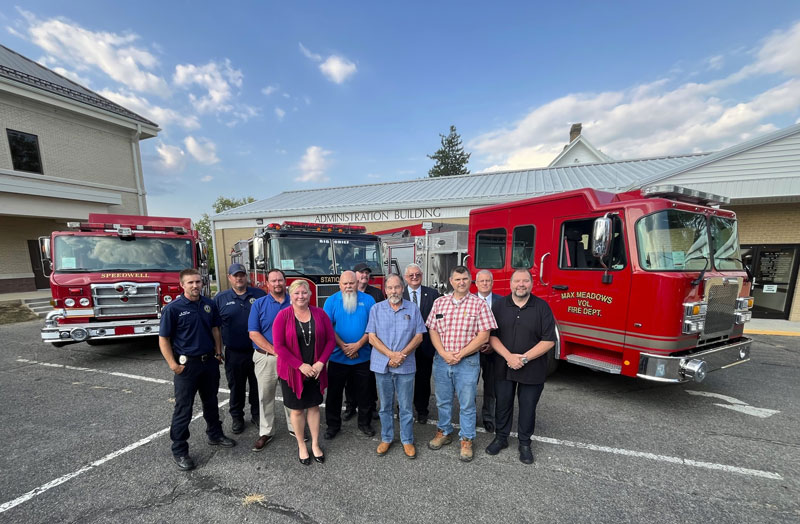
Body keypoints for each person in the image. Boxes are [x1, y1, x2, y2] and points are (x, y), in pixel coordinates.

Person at [159, 268, 235, 471]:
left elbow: (215, 329)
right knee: (184, 409)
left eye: (198, 282)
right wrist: (173, 365)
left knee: (211, 402)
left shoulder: (209, 305)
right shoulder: (173, 309)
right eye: (190, 282)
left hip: (209, 362)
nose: (195, 286)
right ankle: (180, 450)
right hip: (187, 366)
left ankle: (215, 434)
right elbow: (163, 339)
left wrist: (219, 352)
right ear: (182, 285)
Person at [426, 266, 497, 462]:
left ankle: (466, 439)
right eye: (457, 279)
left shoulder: (479, 305)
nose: (461, 282)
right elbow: (433, 330)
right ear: (451, 281)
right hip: (442, 361)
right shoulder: (440, 303)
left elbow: (484, 335)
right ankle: (444, 431)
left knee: (467, 404)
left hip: (467, 362)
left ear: (470, 280)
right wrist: (442, 353)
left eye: (465, 279)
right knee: (443, 400)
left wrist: (460, 354)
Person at [486, 269, 556, 465]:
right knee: (503, 404)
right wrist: (509, 356)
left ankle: (525, 443)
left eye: (525, 281)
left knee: (527, 406)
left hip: (532, 368)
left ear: (532, 284)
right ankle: (501, 438)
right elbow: (491, 336)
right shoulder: (499, 306)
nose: (521, 284)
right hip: (503, 365)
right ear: (510, 284)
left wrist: (523, 359)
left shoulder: (542, 307)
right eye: (517, 281)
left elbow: (549, 340)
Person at [273, 280, 335, 465]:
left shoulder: (320, 314)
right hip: (293, 371)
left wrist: (320, 363)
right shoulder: (282, 316)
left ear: (309, 294)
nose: (301, 296)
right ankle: (301, 444)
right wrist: (300, 365)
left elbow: (331, 341)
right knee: (298, 410)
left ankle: (315, 444)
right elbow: (279, 346)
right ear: (290, 296)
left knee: (314, 407)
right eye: (297, 293)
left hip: (315, 370)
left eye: (304, 293)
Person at [366, 274, 426, 459]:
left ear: (403, 288)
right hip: (382, 364)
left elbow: (419, 336)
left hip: (406, 365)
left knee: (406, 406)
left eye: (397, 287)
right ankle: (387, 437)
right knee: (384, 406)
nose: (394, 291)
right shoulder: (376, 309)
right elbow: (372, 337)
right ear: (385, 290)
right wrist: (391, 355)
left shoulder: (413, 308)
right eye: (390, 288)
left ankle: (407, 440)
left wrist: (402, 355)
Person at [322, 271, 376, 439]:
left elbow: (373, 327)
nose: (348, 287)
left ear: (357, 283)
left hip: (363, 356)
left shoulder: (368, 300)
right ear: (339, 284)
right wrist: (345, 348)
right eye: (345, 284)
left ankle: (364, 423)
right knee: (334, 395)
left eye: (351, 283)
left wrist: (358, 345)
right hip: (338, 357)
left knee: (365, 393)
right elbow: (328, 328)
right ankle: (333, 425)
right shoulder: (331, 301)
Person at [248, 268, 296, 452]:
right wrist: (276, 351)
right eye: (273, 281)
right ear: (267, 284)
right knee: (265, 396)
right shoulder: (259, 304)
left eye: (280, 280)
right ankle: (266, 431)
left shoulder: (295, 302)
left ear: (285, 282)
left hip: (291, 360)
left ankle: (295, 428)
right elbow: (253, 333)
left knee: (292, 394)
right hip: (266, 357)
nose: (277, 284)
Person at [214, 263, 266, 435]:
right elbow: (215, 328)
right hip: (234, 352)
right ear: (229, 278)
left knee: (257, 385)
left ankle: (257, 415)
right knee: (236, 387)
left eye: (242, 274)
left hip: (257, 351)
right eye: (235, 275)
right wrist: (218, 350)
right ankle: (237, 417)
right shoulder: (220, 298)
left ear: (247, 276)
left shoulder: (259, 295)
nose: (239, 278)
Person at [344, 262, 384, 422]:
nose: (365, 275)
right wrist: (348, 347)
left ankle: (371, 407)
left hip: (370, 345)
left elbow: (379, 319)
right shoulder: (345, 292)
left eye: (367, 273)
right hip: (348, 347)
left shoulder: (376, 294)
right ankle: (350, 406)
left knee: (368, 379)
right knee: (349, 380)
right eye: (361, 273)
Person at [402, 263, 440, 424]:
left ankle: (422, 410)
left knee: (423, 380)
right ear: (406, 277)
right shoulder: (398, 293)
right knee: (404, 380)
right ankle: (403, 407)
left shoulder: (432, 294)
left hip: (426, 346)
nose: (414, 277)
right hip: (404, 345)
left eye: (417, 274)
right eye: (411, 275)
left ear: (422, 275)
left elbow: (439, 318)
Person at [474, 269, 502, 434]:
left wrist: (492, 345)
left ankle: (488, 418)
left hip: (493, 352)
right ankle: (470, 417)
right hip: (472, 352)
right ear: (476, 284)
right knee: (470, 387)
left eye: (488, 281)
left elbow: (503, 327)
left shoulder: (501, 302)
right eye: (481, 281)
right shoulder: (468, 301)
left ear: (492, 283)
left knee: (491, 387)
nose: (485, 283)